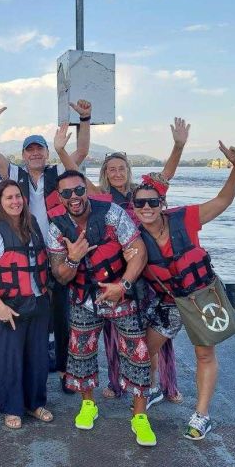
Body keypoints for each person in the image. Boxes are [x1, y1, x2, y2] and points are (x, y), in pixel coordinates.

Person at [59, 118, 190, 404]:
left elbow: (167, 174)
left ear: (128, 170)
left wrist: (178, 146)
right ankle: (118, 383)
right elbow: (73, 181)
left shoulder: (144, 192)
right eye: (111, 169)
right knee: (114, 332)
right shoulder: (101, 197)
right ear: (105, 173)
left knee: (156, 330)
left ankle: (163, 384)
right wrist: (60, 150)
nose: (117, 173)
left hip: (149, 265)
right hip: (118, 269)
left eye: (121, 168)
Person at [132, 141, 235, 440]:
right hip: (170, 302)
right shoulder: (135, 239)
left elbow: (222, 201)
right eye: (140, 203)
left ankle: (202, 414)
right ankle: (152, 387)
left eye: (152, 202)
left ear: (161, 204)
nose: (146, 208)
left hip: (202, 296)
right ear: (134, 208)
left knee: (204, 354)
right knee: (144, 348)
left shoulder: (186, 218)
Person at [0, 103, 93, 394]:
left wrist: (84, 119)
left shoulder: (57, 173)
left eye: (39, 149)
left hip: (57, 251)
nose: (35, 153)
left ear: (46, 153)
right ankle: (31, 366)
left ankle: (63, 369)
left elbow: (80, 152)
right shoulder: (15, 174)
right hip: (26, 253)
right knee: (33, 314)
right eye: (30, 149)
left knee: (62, 314)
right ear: (23, 154)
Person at [45, 170, 157, 446]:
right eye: (67, 193)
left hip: (121, 294)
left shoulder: (112, 214)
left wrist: (124, 286)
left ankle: (140, 416)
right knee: (81, 352)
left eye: (79, 190)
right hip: (84, 297)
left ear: (87, 190)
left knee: (137, 354)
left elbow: (137, 251)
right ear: (59, 198)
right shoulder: (56, 227)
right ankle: (88, 405)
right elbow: (60, 275)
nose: (75, 197)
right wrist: (72, 259)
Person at [0, 179, 53, 430]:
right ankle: (12, 407)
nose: (15, 201)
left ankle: (35, 403)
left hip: (37, 303)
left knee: (38, 358)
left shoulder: (34, 227)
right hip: (7, 305)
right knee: (9, 360)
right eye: (8, 198)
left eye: (18, 196)